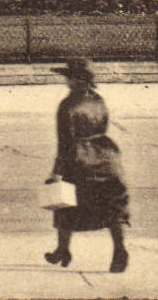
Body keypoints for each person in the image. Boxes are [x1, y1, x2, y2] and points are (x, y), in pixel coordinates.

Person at [46, 58, 130, 273]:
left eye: (69, 77)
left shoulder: (67, 106)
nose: (66, 82)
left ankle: (63, 250)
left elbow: (64, 142)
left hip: (79, 159)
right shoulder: (98, 99)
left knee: (65, 204)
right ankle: (119, 249)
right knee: (113, 206)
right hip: (107, 156)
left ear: (76, 80)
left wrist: (56, 172)